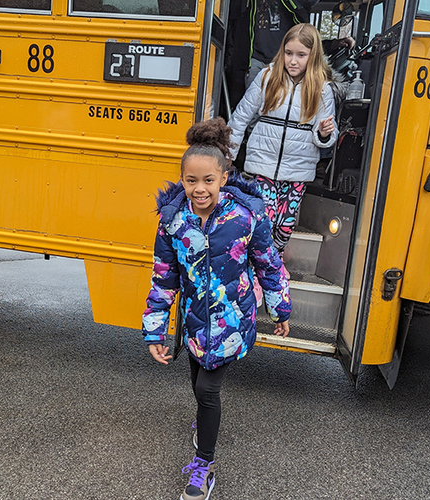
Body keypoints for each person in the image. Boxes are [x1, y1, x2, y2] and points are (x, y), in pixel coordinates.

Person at [142, 118, 292, 500]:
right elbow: (164, 277)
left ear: (223, 178)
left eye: (208, 180)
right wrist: (156, 330)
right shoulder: (173, 223)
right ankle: (203, 422)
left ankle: (204, 465)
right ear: (182, 179)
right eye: (191, 181)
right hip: (195, 323)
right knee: (197, 383)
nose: (199, 189)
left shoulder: (246, 217)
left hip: (231, 321)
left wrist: (279, 308)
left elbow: (268, 263)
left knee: (208, 390)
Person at [227, 23, 338, 257]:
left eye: (301, 55)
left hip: (298, 168)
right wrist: (228, 154)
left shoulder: (322, 88)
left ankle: (273, 260)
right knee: (264, 216)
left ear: (313, 56)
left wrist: (325, 133)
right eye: (288, 53)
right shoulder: (268, 77)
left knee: (285, 225)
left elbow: (327, 136)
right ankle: (259, 262)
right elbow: (241, 117)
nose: (293, 61)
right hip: (263, 163)